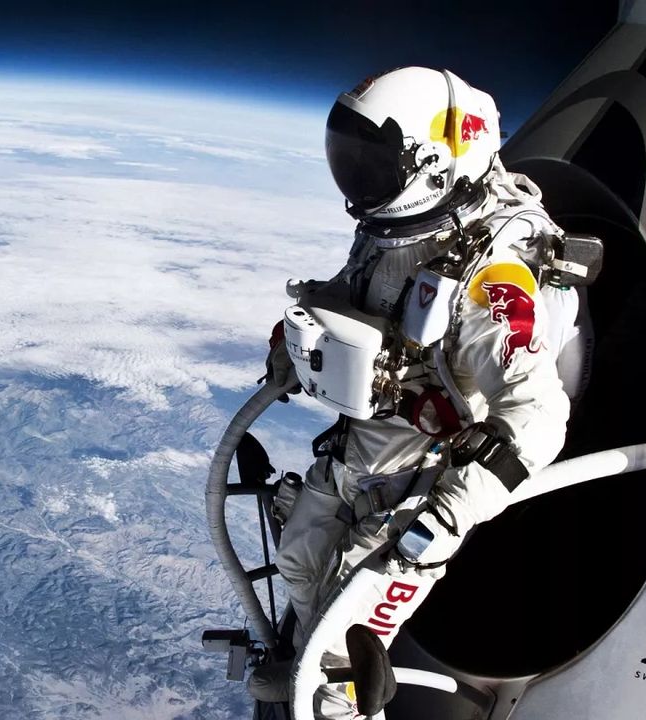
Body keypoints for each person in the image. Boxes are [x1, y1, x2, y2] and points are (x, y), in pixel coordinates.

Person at [250, 66, 587, 718]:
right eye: (352, 160)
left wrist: (446, 516)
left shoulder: (492, 274)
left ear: (433, 164)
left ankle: (330, 699)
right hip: (359, 453)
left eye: (373, 164)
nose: (358, 179)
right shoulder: (394, 235)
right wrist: (294, 344)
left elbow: (539, 415)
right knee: (297, 561)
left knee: (342, 645)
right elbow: (353, 298)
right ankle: (300, 671)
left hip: (416, 486)